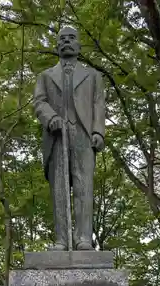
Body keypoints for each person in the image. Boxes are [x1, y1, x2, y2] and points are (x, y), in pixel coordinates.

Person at [34, 26, 105, 250]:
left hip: (84, 135)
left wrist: (98, 131)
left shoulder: (93, 76)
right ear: (57, 45)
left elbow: (98, 105)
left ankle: (84, 238)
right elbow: (39, 102)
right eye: (62, 39)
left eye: (71, 38)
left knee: (85, 187)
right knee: (59, 189)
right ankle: (62, 240)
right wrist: (51, 117)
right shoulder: (45, 76)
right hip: (57, 138)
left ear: (78, 45)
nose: (67, 41)